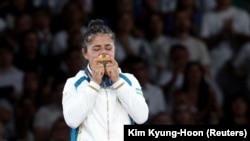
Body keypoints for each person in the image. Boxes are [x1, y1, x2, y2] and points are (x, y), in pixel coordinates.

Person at [62, 19, 149, 141]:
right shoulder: (74, 83)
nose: (103, 53)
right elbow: (72, 120)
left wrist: (118, 82)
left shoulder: (129, 80)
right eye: (96, 49)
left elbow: (141, 117)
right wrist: (94, 84)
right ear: (85, 53)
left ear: (115, 50)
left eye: (108, 48)